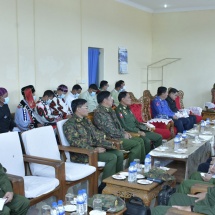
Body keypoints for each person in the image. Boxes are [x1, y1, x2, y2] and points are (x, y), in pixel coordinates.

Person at [63, 99, 124, 193]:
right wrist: (94, 149)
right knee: (112, 157)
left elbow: (96, 133)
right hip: (83, 154)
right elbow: (75, 142)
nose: (88, 110)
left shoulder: (86, 120)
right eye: (86, 107)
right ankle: (104, 188)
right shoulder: (69, 124)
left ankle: (117, 182)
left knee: (119, 154)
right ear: (78, 109)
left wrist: (108, 143)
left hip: (95, 148)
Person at [93, 91, 143, 164]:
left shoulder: (110, 110)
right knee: (136, 144)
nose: (112, 99)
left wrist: (125, 132)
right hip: (111, 138)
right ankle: (131, 168)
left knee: (140, 140)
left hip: (117, 135)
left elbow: (118, 125)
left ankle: (140, 164)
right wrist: (123, 135)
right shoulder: (100, 113)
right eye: (110, 97)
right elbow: (109, 131)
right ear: (105, 100)